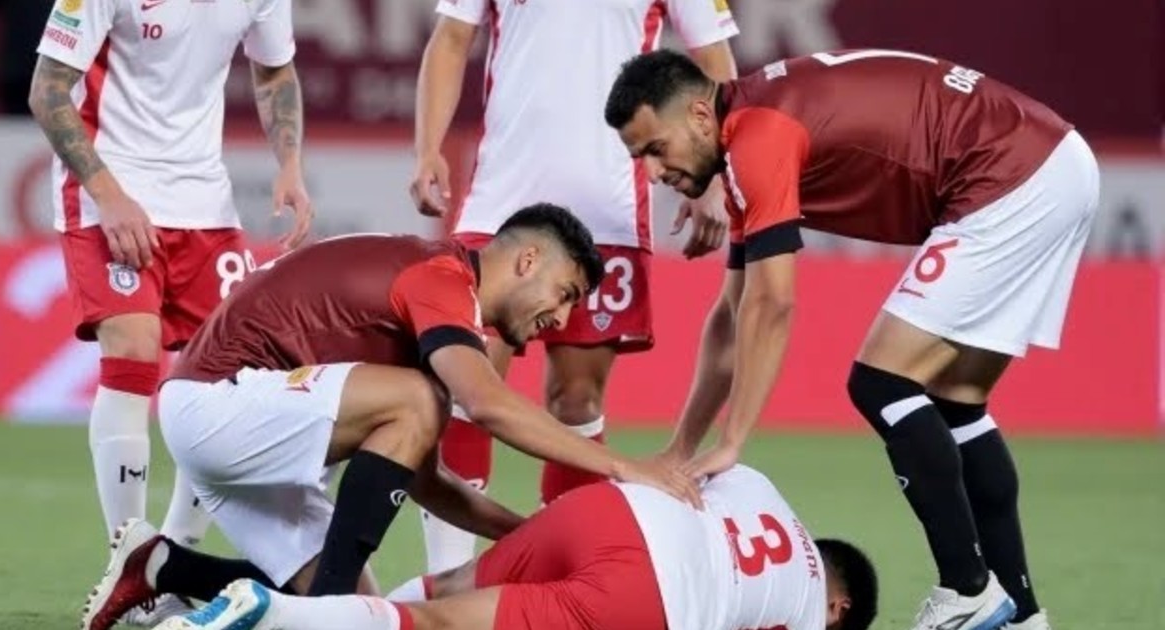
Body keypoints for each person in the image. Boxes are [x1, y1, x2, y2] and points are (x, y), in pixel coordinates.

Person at [603, 49, 1098, 630]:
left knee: (882, 382)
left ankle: (967, 591)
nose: (654, 173)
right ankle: (1021, 616)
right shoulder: (747, 136)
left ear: (698, 116)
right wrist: (682, 449)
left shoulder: (759, 139)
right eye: (639, 158)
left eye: (656, 149)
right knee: (957, 403)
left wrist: (732, 441)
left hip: (1010, 175)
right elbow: (732, 317)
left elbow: (772, 303)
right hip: (1050, 160)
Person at [78, 204, 702, 630]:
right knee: (422, 401)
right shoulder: (441, 277)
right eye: (565, 294)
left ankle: (159, 565)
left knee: (365, 615)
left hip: (242, 425)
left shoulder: (434, 318)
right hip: (216, 403)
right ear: (528, 260)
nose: (560, 320)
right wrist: (625, 468)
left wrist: (531, 538)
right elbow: (485, 403)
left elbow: (425, 481)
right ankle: (316, 616)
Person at [409, 0, 741, 574]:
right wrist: (426, 148)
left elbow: (715, 63)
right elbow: (451, 39)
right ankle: (446, 577)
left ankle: (562, 572)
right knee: (464, 387)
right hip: (500, 205)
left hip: (608, 213)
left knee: (577, 398)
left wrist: (716, 174)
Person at [28, 0, 313, 621]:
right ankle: (128, 555)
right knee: (133, 350)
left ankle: (172, 563)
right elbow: (48, 89)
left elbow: (274, 71)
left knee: (229, 377)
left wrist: (290, 164)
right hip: (110, 190)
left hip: (204, 200)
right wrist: (110, 197)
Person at [152, 464, 879, 630]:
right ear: (839, 608)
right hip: (649, 593)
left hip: (608, 510)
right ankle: (273, 610)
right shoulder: (806, 614)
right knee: (439, 624)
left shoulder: (763, 490)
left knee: (445, 590)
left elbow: (697, 469)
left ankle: (308, 618)